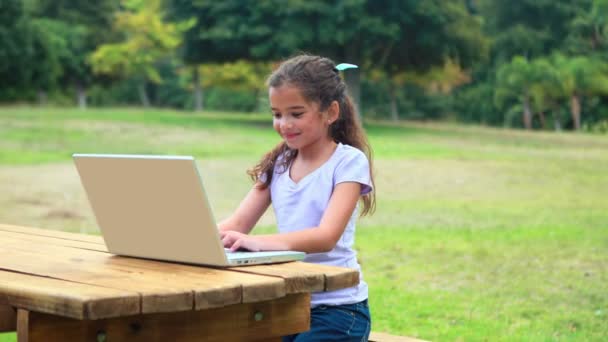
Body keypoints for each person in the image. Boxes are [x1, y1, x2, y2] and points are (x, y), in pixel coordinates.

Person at [218, 54, 376, 341]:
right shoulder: (279, 163)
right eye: (277, 114)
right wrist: (189, 237)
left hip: (338, 310)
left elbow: (326, 236)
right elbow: (237, 224)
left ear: (330, 112)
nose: (284, 124)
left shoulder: (348, 162)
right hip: (288, 303)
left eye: (296, 113)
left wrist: (259, 243)